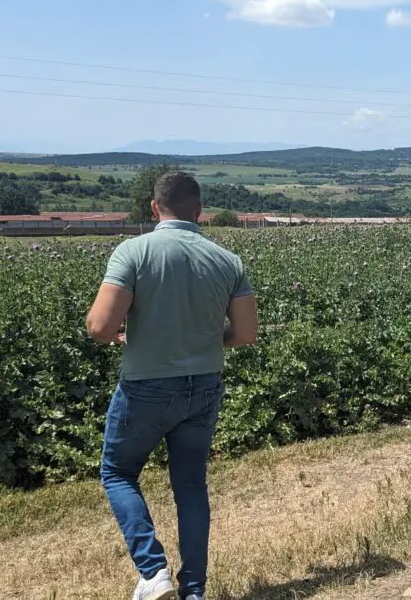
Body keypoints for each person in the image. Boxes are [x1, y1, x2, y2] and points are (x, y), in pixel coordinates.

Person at [85, 171, 259, 600]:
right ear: (200, 210)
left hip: (145, 386)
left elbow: (100, 327)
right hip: (203, 387)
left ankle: (152, 570)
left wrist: (125, 334)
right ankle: (194, 591)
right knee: (191, 485)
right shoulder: (227, 260)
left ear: (153, 207)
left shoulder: (133, 252)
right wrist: (201, 338)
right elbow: (245, 334)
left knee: (118, 472)